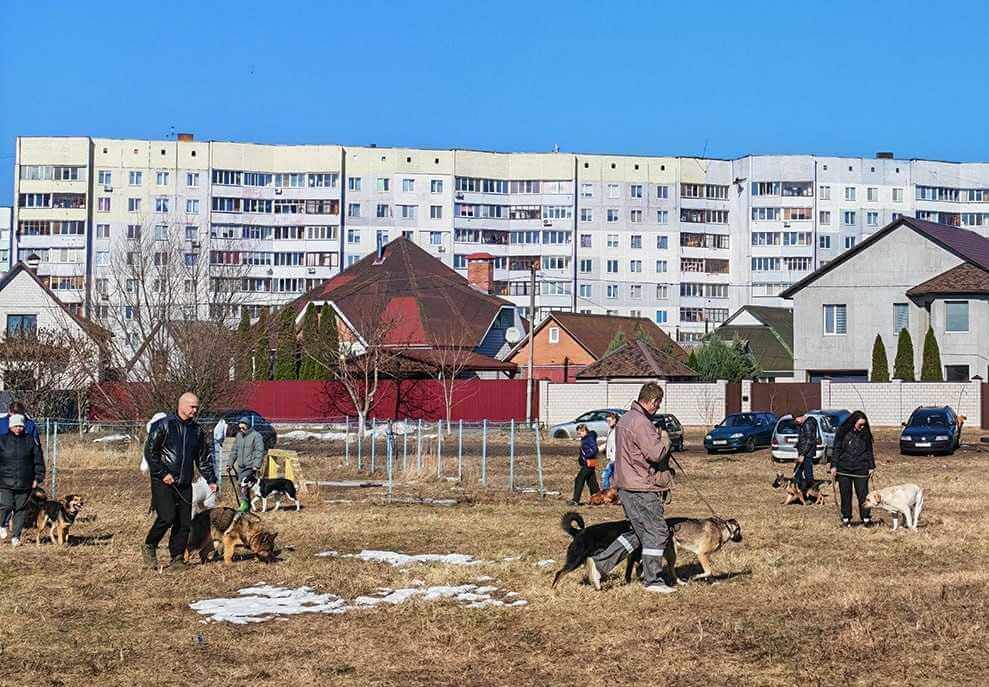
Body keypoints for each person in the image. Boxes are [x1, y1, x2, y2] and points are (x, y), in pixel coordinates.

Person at [587, 382, 677, 594]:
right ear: (653, 401)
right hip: (642, 486)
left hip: (625, 484)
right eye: (658, 403)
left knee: (639, 532)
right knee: (657, 530)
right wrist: (666, 440)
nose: (658, 407)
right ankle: (653, 579)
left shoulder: (625, 419)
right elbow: (656, 454)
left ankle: (599, 564)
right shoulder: (642, 423)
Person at [142, 392, 217, 571]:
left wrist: (211, 479)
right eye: (192, 407)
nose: (195, 410)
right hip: (163, 481)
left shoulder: (196, 430)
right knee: (167, 517)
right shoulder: (163, 425)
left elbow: (203, 458)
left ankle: (177, 558)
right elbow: (150, 453)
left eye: (196, 407)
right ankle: (149, 545)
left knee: (184, 523)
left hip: (185, 482)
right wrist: (162, 473)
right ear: (182, 405)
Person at [0, 415, 45, 547]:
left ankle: (16, 536)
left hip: (25, 481)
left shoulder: (30, 441)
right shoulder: (2, 441)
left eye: (20, 426)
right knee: (6, 505)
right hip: (4, 481)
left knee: (21, 509)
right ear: (10, 426)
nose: (18, 428)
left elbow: (38, 460)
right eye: (16, 426)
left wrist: (38, 477)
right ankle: (2, 524)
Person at [831, 410, 875, 527]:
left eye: (864, 425)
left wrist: (871, 466)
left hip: (861, 468)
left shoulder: (865, 433)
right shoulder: (842, 432)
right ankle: (846, 519)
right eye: (860, 424)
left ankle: (866, 518)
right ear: (853, 422)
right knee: (845, 494)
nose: (862, 427)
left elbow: (869, 451)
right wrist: (834, 465)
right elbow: (836, 449)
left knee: (863, 494)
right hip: (844, 468)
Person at [231, 417, 266, 512]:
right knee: (244, 485)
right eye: (240, 428)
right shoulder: (239, 436)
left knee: (241, 484)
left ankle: (244, 505)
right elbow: (234, 450)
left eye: (243, 428)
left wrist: (256, 465)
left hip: (250, 466)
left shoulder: (256, 436)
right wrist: (230, 464)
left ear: (248, 426)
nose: (241, 430)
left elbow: (259, 451)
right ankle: (247, 505)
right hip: (241, 466)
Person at [569, 424, 600, 506]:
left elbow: (595, 450)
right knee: (591, 481)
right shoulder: (586, 438)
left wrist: (585, 456)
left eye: (579, 433)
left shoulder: (589, 438)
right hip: (589, 463)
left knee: (579, 479)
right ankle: (597, 499)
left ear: (584, 431)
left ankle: (575, 500)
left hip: (588, 463)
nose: (579, 435)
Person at [793, 414, 819, 491]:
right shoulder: (803, 424)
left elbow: (809, 441)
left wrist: (803, 454)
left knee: (808, 474)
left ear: (799, 417)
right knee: (797, 471)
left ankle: (812, 492)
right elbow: (804, 439)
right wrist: (797, 445)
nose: (795, 422)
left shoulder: (807, 424)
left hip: (806, 454)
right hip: (804, 452)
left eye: (795, 419)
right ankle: (800, 489)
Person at [601, 413, 619, 490]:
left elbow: (616, 445)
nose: (608, 422)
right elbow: (609, 443)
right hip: (611, 457)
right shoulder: (610, 430)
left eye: (609, 420)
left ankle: (606, 491)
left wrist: (614, 458)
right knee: (613, 476)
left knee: (605, 475)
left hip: (615, 458)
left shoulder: (617, 430)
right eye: (607, 421)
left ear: (615, 420)